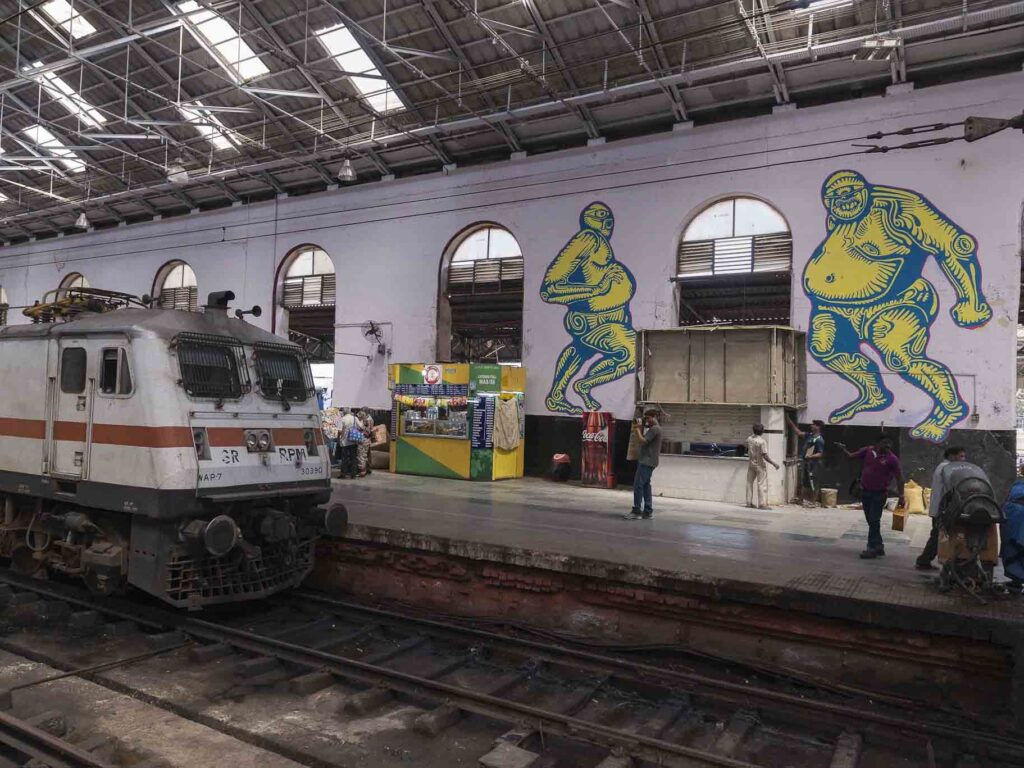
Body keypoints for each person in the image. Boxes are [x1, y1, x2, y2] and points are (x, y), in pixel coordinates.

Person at [836, 435, 905, 559]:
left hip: (880, 494)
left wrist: (901, 496)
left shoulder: (892, 459)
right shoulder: (867, 451)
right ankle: (879, 545)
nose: (888, 446)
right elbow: (851, 456)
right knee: (871, 520)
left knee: (874, 520)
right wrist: (844, 450)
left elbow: (900, 478)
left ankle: (871, 548)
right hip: (865, 491)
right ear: (878, 443)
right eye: (885, 443)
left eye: (889, 443)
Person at [916, 446, 967, 570]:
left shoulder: (943, 467)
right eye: (961, 456)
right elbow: (952, 487)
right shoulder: (947, 468)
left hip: (940, 507)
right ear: (951, 456)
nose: (963, 459)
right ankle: (925, 560)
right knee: (937, 535)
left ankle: (925, 560)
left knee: (937, 534)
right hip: (942, 509)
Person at [624, 409, 662, 521]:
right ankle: (648, 511)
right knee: (646, 486)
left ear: (654, 416)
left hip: (646, 461)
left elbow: (643, 441)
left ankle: (636, 511)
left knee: (638, 485)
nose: (647, 421)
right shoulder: (655, 429)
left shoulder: (655, 429)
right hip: (650, 461)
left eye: (648, 418)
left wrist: (636, 429)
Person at [788, 416, 825, 505]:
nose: (811, 426)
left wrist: (811, 456)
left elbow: (820, 453)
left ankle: (813, 501)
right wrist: (789, 421)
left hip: (813, 464)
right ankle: (801, 499)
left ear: (818, 427)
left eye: (814, 425)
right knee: (803, 481)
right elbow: (799, 433)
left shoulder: (819, 440)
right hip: (806, 463)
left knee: (813, 482)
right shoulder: (810, 435)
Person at [745, 424, 780, 510]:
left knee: (749, 483)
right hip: (760, 466)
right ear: (762, 431)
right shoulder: (762, 441)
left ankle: (748, 503)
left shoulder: (749, 439)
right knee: (761, 484)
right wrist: (774, 463)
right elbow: (765, 456)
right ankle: (761, 504)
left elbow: (747, 448)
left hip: (751, 464)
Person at [1000, 469, 1024, 588]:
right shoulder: (1017, 483)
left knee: (1018, 546)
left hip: (1018, 516)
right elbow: (1006, 497)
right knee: (1010, 547)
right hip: (1011, 515)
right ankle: (1016, 581)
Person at [336, 408, 359, 480]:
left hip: (345, 442)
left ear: (344, 412)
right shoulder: (355, 418)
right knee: (353, 458)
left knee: (344, 458)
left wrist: (338, 439)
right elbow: (360, 427)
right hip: (353, 440)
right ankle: (353, 474)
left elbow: (340, 431)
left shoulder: (342, 419)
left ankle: (344, 474)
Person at [356, 409, 374, 478]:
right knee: (366, 455)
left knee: (361, 455)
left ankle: (362, 472)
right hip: (368, 440)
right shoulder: (371, 419)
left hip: (363, 439)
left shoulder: (366, 420)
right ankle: (367, 469)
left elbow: (362, 428)